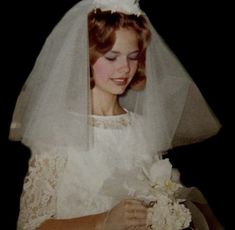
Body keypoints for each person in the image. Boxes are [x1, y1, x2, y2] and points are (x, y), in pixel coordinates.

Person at [9, 0, 224, 229]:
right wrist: (102, 221)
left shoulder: (142, 127)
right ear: (86, 56)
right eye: (112, 57)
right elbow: (30, 225)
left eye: (133, 57)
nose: (125, 68)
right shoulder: (59, 130)